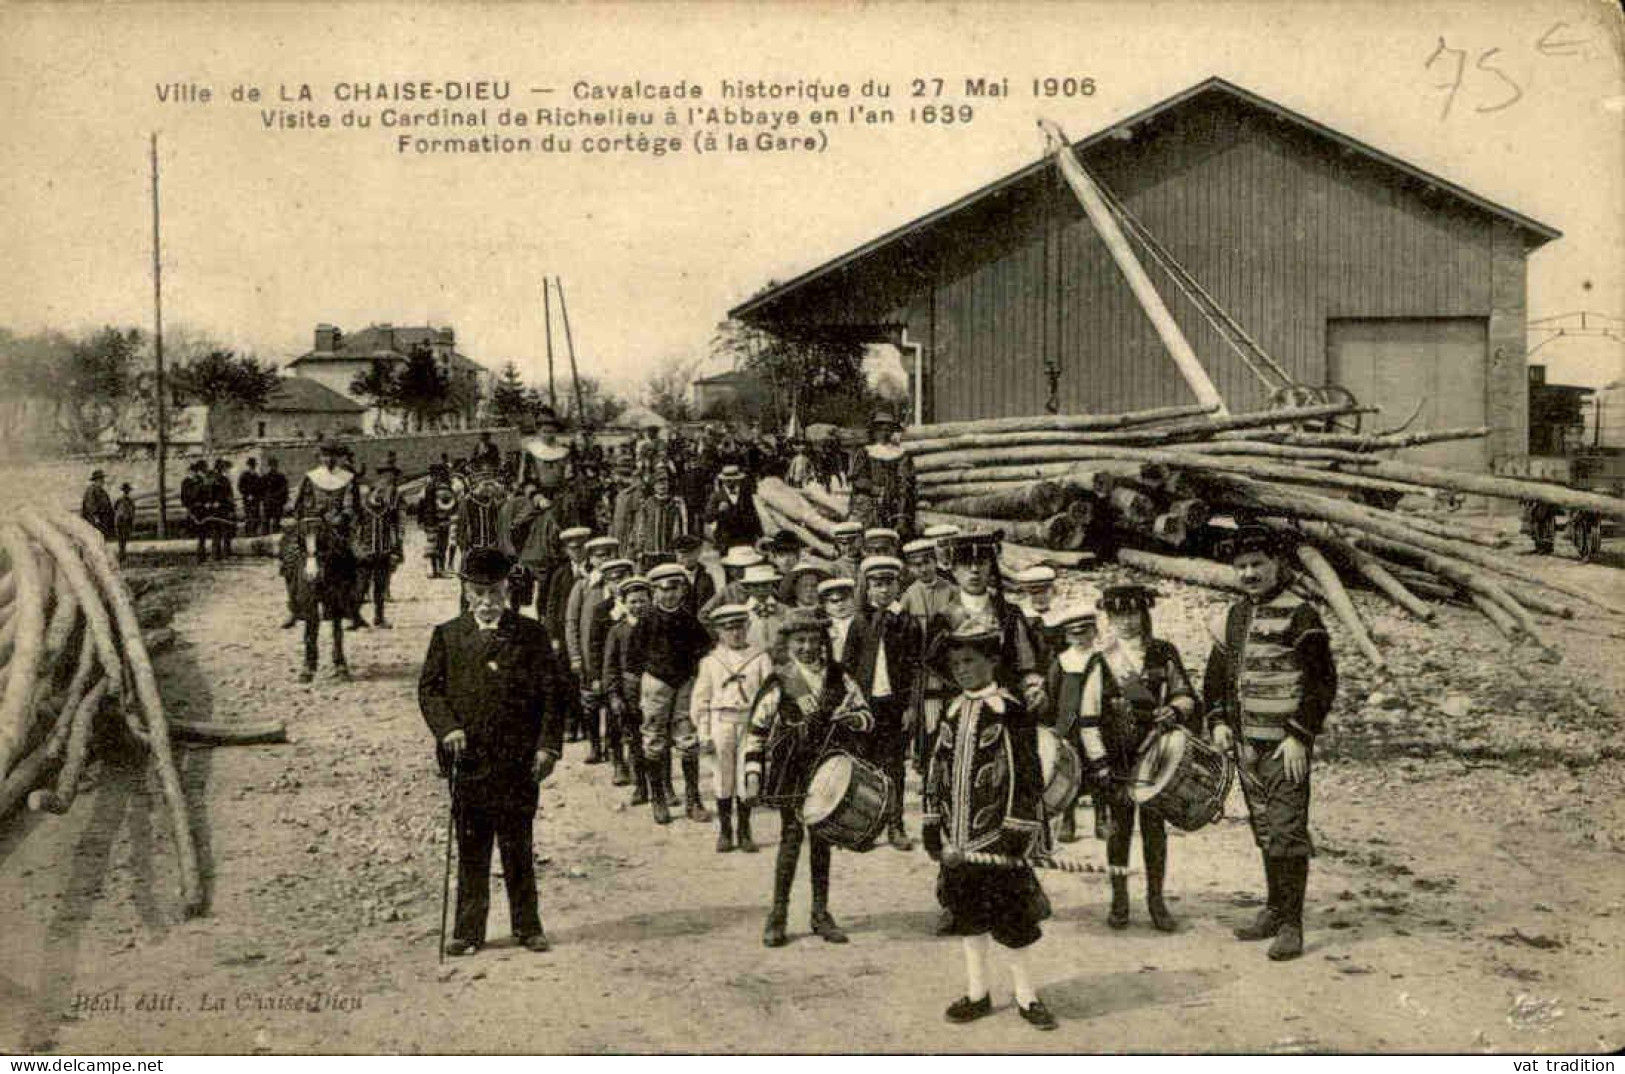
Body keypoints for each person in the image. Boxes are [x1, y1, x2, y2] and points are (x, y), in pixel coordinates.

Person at [418, 547, 568, 957]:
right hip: (468, 763)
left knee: (518, 843)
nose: (487, 602)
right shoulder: (447, 636)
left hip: (519, 761)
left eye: (495, 592)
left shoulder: (531, 634)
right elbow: (429, 691)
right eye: (479, 593)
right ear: (467, 592)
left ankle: (527, 926)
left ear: (507, 591)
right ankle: (469, 931)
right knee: (473, 845)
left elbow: (554, 695)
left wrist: (548, 746)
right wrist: (447, 729)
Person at [1203, 526, 1336, 962]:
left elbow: (1322, 682)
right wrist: (1219, 722)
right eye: (1241, 567)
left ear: (1277, 564)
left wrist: (1300, 735)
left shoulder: (1302, 615)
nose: (1249, 573)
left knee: (1287, 830)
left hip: (1284, 748)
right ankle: (1273, 908)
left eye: (1257, 564)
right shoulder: (1234, 617)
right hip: (1245, 747)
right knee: (1264, 828)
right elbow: (1216, 679)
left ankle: (1292, 923)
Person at [923, 622, 1056, 1032]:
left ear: (992, 662)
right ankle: (979, 993)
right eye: (955, 663)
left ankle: (1027, 996)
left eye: (970, 661)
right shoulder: (951, 709)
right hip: (959, 842)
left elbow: (1028, 777)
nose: (962, 670)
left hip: (998, 840)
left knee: (1010, 919)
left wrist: (1015, 832)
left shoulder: (1010, 711)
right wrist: (932, 823)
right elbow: (936, 769)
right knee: (968, 915)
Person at [742, 608, 874, 948]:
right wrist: (753, 774)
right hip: (792, 770)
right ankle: (778, 915)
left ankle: (820, 913)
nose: (807, 648)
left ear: (823, 643)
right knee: (789, 839)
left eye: (813, 641)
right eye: (799, 641)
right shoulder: (781, 680)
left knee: (821, 840)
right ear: (788, 644)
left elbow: (866, 717)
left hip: (828, 770)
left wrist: (852, 719)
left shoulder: (840, 677)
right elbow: (756, 731)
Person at [1077, 585, 1198, 932]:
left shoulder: (1164, 653)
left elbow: (1186, 694)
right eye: (1117, 615)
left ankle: (1156, 900)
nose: (1126, 622)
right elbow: (1088, 718)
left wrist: (1174, 710)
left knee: (1154, 831)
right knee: (1119, 832)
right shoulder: (1103, 661)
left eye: (1131, 614)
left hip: (1155, 759)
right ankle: (1119, 899)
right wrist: (1099, 763)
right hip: (1118, 762)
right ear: (1109, 619)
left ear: (1144, 615)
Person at [626, 563, 713, 825]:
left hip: (685, 682)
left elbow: (704, 646)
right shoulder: (646, 621)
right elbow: (633, 657)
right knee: (653, 737)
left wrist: (695, 672)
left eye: (675, 589)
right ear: (655, 591)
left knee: (687, 738)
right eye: (663, 590)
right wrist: (638, 684)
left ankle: (693, 799)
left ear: (682, 590)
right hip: (656, 682)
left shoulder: (688, 619)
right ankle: (658, 799)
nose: (669, 595)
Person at [845, 555, 921, 851]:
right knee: (865, 765)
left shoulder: (907, 623)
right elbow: (848, 667)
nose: (883, 590)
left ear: (897, 587)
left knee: (894, 767)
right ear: (868, 588)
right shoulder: (859, 622)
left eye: (889, 584)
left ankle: (895, 823)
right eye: (877, 585)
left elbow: (916, 667)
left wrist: (911, 706)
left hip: (894, 706)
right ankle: (867, 824)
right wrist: (851, 704)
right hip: (866, 707)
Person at [691, 604, 773, 853]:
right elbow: (701, 700)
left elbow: (769, 694)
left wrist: (764, 727)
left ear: (747, 627)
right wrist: (703, 733)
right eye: (728, 629)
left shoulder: (760, 658)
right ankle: (725, 831)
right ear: (719, 632)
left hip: (749, 722)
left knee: (747, 776)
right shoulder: (710, 661)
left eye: (739, 627)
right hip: (721, 722)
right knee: (722, 776)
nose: (735, 634)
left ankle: (745, 831)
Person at [1040, 605, 1099, 845]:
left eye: (1085, 632)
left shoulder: (1101, 659)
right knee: (1069, 771)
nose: (1080, 638)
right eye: (1074, 634)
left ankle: (1103, 816)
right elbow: (1052, 693)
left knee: (1098, 769)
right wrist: (1052, 724)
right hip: (1069, 726)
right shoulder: (1062, 662)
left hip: (1097, 725)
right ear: (1066, 636)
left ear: (1094, 632)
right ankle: (1067, 818)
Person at [581, 557, 637, 768]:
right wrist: (595, 676)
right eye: (612, 580)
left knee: (633, 717)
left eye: (621, 578)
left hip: (633, 672)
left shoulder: (639, 606)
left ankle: (635, 760)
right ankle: (618, 763)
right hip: (610, 671)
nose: (617, 584)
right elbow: (594, 645)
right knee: (614, 717)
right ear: (606, 583)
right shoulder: (601, 610)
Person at [602, 574, 653, 800]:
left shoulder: (657, 627)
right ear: (624, 603)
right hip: (630, 692)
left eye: (642, 600)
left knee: (658, 740)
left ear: (650, 601)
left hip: (655, 691)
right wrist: (614, 695)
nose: (638, 605)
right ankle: (641, 786)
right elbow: (610, 666)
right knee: (634, 741)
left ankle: (665, 788)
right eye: (633, 601)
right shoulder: (617, 631)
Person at [847, 410, 916, 537]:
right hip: (869, 502)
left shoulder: (901, 454)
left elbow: (905, 481)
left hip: (894, 503)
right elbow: (857, 479)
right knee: (859, 530)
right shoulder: (865, 452)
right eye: (880, 428)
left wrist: (898, 496)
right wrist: (875, 489)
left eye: (888, 428)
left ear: (892, 431)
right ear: (874, 431)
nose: (884, 432)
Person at [353, 477, 403, 630]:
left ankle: (379, 618)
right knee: (361, 587)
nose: (381, 494)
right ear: (371, 492)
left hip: (383, 554)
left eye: (383, 491)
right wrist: (357, 550)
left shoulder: (389, 510)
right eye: (378, 491)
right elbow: (354, 531)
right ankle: (355, 618)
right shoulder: (362, 509)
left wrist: (396, 552)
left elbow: (396, 532)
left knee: (380, 588)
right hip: (365, 555)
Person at [632, 467, 688, 567]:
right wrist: (639, 548)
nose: (662, 486)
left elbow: (682, 528)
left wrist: (681, 549)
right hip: (651, 552)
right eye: (659, 484)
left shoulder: (676, 504)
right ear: (654, 486)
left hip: (670, 552)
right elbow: (641, 527)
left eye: (665, 483)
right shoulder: (647, 504)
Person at [706, 465, 761, 552]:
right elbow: (708, 517)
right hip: (726, 540)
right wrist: (719, 511)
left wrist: (760, 535)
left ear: (738, 480)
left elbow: (753, 515)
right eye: (727, 479)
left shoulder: (746, 494)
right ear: (723, 480)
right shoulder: (716, 496)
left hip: (745, 538)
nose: (730, 481)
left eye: (733, 479)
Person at [739, 563, 786, 655]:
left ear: (772, 585)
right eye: (755, 586)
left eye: (765, 585)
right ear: (747, 588)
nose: (761, 590)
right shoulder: (741, 612)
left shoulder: (784, 610)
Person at [672, 534, 715, 615]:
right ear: (676, 554)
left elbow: (710, 606)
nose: (688, 559)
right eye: (683, 555)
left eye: (692, 554)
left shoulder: (707, 578)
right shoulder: (672, 576)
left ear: (698, 553)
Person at [180, 460, 209, 563]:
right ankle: (192, 555)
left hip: (202, 510)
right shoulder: (186, 482)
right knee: (192, 531)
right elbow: (183, 497)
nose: (194, 473)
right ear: (189, 472)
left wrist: (205, 502)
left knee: (202, 533)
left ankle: (201, 555)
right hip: (192, 510)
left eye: (195, 471)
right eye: (192, 471)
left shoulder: (201, 481)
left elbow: (206, 494)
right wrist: (189, 506)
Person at [81, 469, 116, 540]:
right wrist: (95, 517)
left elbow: (108, 505)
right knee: (95, 538)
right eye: (100, 479)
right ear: (95, 480)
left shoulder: (102, 491)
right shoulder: (91, 490)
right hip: (95, 520)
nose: (102, 481)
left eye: (102, 479)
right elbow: (90, 505)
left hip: (103, 520)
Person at [261, 457, 290, 535]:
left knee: (276, 521)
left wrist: (280, 498)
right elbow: (261, 489)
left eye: (274, 465)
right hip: (268, 503)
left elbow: (284, 489)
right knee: (265, 521)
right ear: (269, 466)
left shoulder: (281, 477)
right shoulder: (265, 477)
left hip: (277, 502)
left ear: (276, 466)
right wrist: (264, 498)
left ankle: (275, 537)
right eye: (271, 465)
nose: (272, 467)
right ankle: (265, 538)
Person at [238, 458, 264, 537]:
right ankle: (248, 532)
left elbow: (260, 487)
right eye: (251, 465)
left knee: (256, 515)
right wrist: (247, 494)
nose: (252, 466)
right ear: (249, 465)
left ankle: (254, 531)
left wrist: (259, 496)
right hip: (247, 499)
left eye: (254, 465)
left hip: (256, 499)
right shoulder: (244, 475)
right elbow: (240, 487)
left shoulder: (256, 475)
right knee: (249, 515)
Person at [113, 482, 137, 562]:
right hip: (121, 521)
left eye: (127, 491)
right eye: (125, 491)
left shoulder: (128, 501)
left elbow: (132, 511)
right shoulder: (122, 500)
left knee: (123, 539)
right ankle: (122, 555)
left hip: (124, 521)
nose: (126, 492)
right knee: (122, 539)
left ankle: (122, 554)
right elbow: (116, 509)